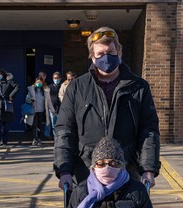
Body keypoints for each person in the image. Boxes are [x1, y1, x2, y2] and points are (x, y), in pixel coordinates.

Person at [54, 26, 161, 191]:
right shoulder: (77, 88)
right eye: (100, 54)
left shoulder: (139, 87)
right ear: (92, 57)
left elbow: (149, 130)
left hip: (126, 170)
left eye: (111, 52)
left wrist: (149, 168)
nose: (106, 57)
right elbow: (65, 131)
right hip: (86, 172)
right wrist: (64, 169)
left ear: (119, 51)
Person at [0, 68, 20, 146]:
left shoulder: (8, 82)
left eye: (0, 74)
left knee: (5, 126)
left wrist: (11, 96)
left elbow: (17, 87)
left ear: (3, 75)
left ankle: (4, 141)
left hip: (6, 106)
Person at [24, 76, 55, 146]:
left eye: (40, 82)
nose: (38, 84)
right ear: (35, 82)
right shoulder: (32, 89)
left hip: (41, 111)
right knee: (34, 125)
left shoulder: (45, 90)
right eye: (37, 82)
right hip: (33, 111)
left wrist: (52, 110)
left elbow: (49, 101)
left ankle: (39, 139)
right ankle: (35, 138)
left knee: (40, 125)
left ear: (42, 83)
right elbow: (27, 99)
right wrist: (30, 99)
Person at [47, 71, 62, 138]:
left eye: (57, 78)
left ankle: (60, 137)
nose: (56, 79)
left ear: (60, 78)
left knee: (61, 123)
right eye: (55, 78)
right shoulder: (49, 87)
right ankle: (55, 137)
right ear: (53, 79)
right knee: (53, 124)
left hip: (61, 108)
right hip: (52, 108)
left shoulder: (62, 86)